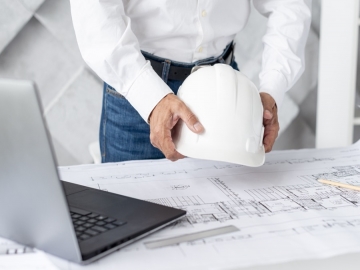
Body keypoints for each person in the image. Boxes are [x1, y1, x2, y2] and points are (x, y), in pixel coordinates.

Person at [70, 0, 311, 163]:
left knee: (225, 222)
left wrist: (274, 86)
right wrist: (151, 98)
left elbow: (290, 6)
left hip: (224, 91)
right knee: (129, 217)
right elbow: (95, 14)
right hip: (138, 90)